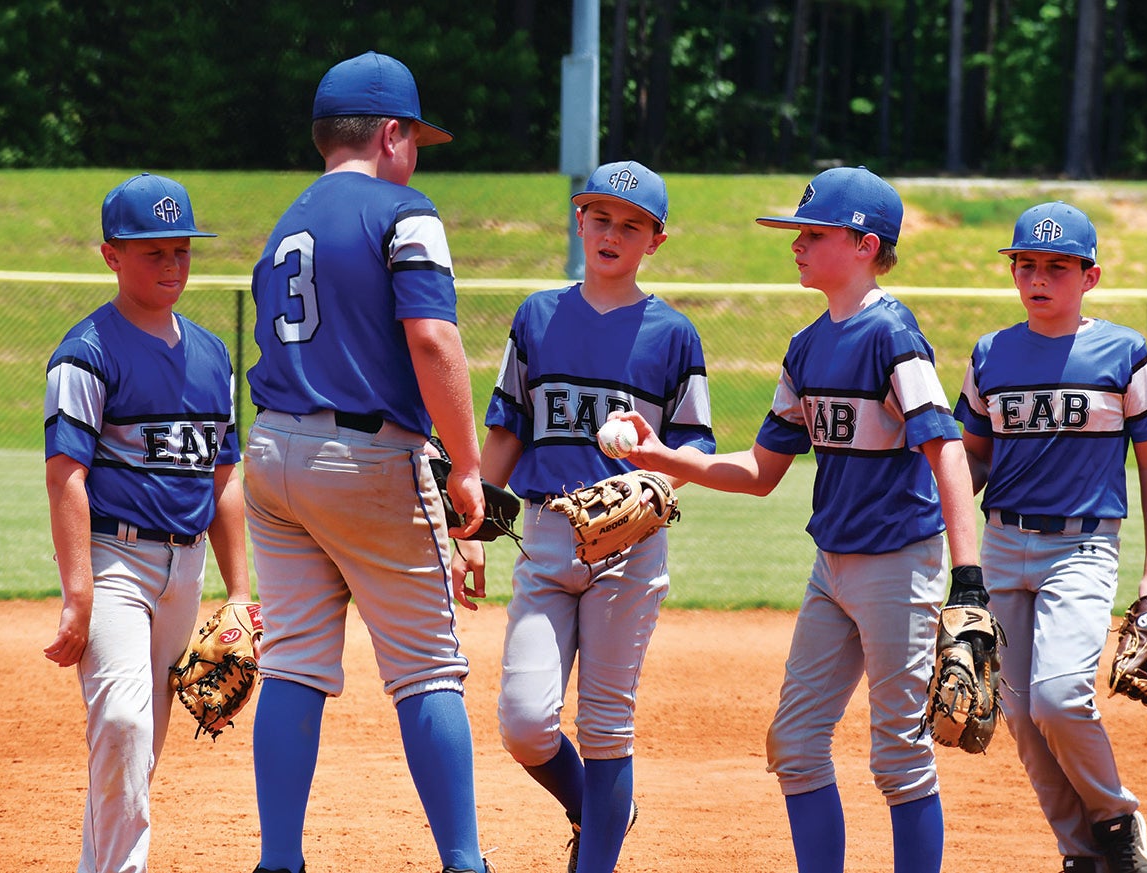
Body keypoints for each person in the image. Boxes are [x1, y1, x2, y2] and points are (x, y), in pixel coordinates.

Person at [615, 166, 981, 873]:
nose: (796, 244)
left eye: (812, 233)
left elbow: (948, 455)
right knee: (795, 741)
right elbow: (759, 471)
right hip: (831, 569)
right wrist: (663, 455)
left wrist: (966, 581)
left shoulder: (892, 333)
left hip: (897, 562)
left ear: (865, 245)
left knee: (898, 753)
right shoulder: (806, 346)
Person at [243, 51, 491, 873]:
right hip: (364, 459)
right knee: (428, 668)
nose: (416, 154)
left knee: (293, 664)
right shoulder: (402, 209)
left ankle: (279, 860)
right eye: (414, 137)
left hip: (273, 454)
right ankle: (464, 863)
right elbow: (431, 337)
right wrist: (464, 462)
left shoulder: (287, 221)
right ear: (390, 134)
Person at [468, 160, 715, 873]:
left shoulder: (671, 333)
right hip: (545, 531)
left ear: (654, 241)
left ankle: (595, 859)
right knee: (523, 720)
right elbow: (508, 425)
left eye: (630, 224)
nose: (612, 233)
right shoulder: (538, 316)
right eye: (600, 217)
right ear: (579, 220)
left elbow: (694, 443)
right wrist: (479, 523)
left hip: (630, 545)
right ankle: (599, 809)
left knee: (606, 722)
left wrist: (655, 468)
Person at [953, 201, 1147, 873]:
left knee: (1057, 696)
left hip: (1081, 546)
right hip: (999, 544)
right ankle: (1080, 853)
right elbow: (972, 458)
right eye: (1025, 265)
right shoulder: (989, 354)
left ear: (1090, 276)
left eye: (1056, 266)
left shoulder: (1122, 353)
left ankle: (1114, 817)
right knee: (1017, 715)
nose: (1037, 278)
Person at [43, 172, 252, 873]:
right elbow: (65, 474)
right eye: (152, 251)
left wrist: (241, 593)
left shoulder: (212, 356)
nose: (171, 264)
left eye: (181, 250)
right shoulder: (86, 353)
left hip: (185, 567)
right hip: (115, 561)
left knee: (140, 744)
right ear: (111, 255)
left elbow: (224, 479)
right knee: (126, 724)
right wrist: (79, 594)